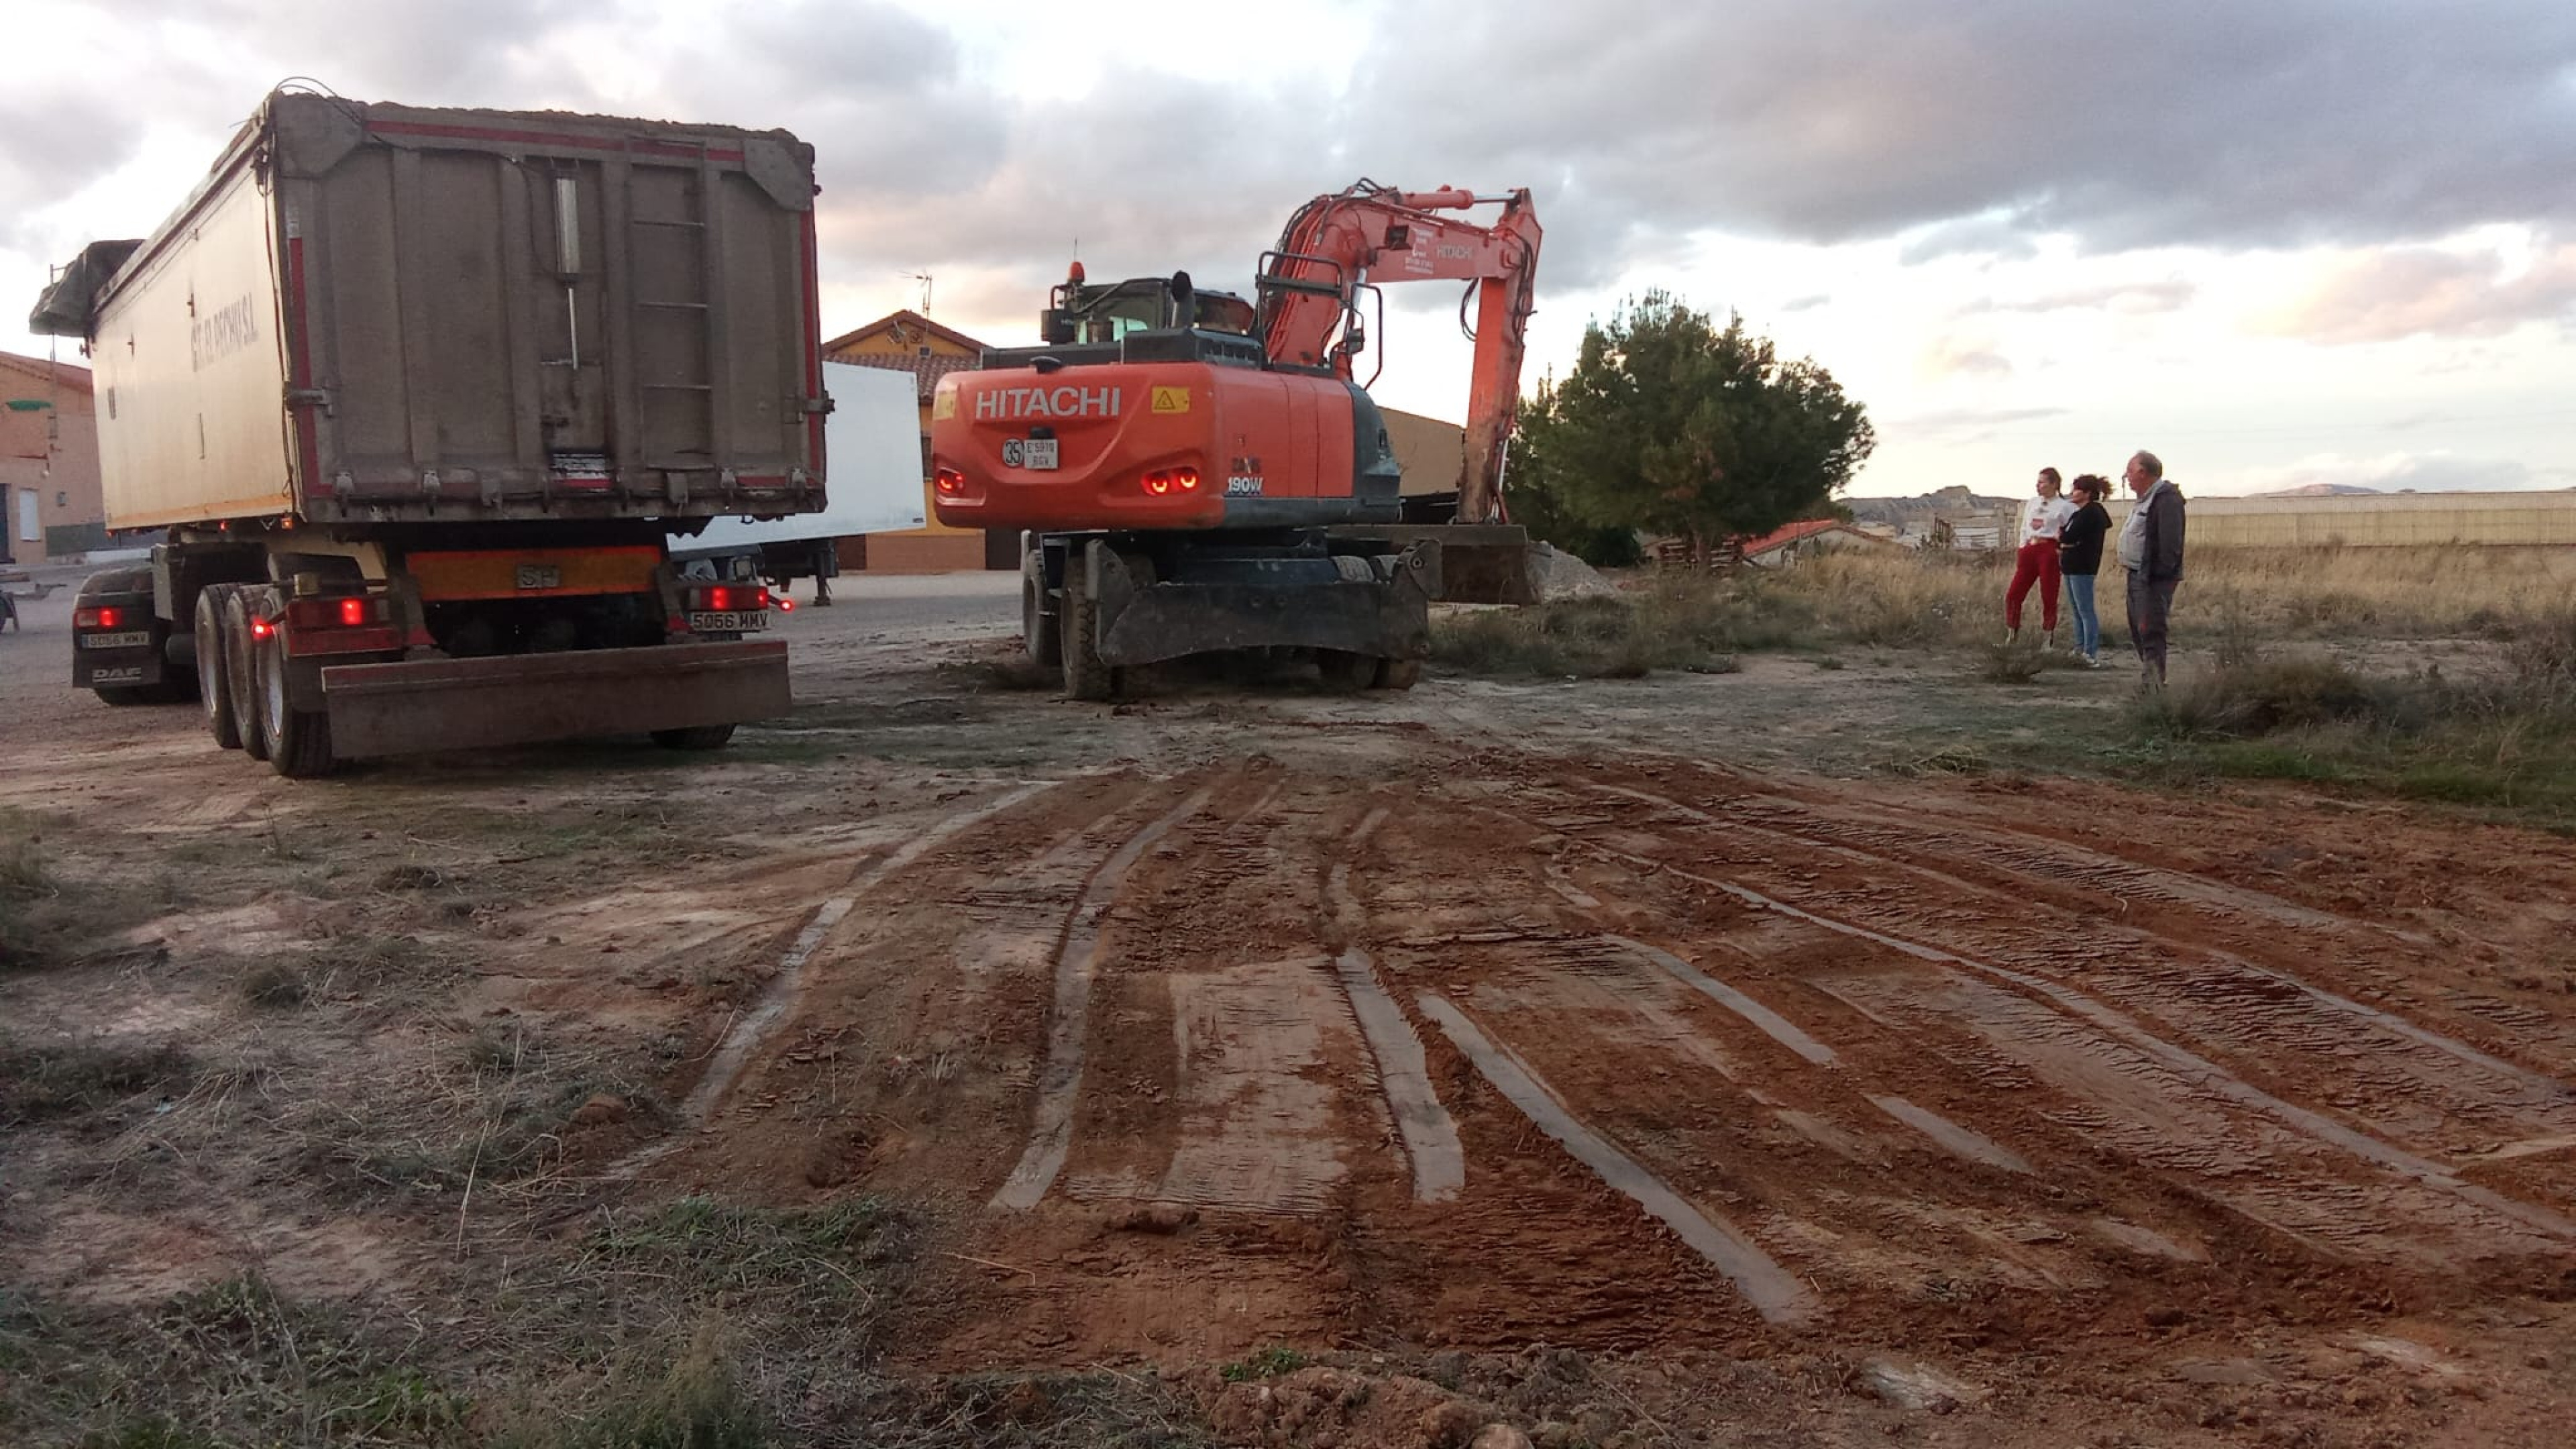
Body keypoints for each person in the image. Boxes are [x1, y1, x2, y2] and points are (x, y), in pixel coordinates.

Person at [2117, 449, 2186, 686]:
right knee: (2140, 632)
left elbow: (2170, 543)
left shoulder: (2166, 499)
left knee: (2151, 632)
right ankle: (2152, 682)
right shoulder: (2145, 499)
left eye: (2129, 472)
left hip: (2153, 580)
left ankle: (2154, 689)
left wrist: (2158, 576)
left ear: (2142, 472)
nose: (2127, 477)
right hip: (2137, 576)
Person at [2003, 467, 2074, 647]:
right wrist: (2022, 547)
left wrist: (2061, 547)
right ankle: (2012, 635)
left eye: (2042, 482)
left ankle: (2047, 638)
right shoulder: (2032, 503)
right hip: (2029, 549)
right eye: (2038, 482)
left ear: (2054, 484)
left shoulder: (2065, 506)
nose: (2038, 485)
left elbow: (2072, 529)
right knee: (2013, 594)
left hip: (2048, 549)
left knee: (2048, 594)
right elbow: (2024, 527)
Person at [2057, 474, 2113, 667]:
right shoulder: (2077, 513)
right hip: (2070, 565)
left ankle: (2090, 653)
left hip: (2083, 566)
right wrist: (2065, 540)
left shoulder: (2092, 513)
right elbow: (2064, 536)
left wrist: (2066, 540)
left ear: (2087, 493)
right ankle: (2079, 648)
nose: (2073, 493)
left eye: (2076, 489)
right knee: (2076, 611)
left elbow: (2069, 535)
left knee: (2085, 610)